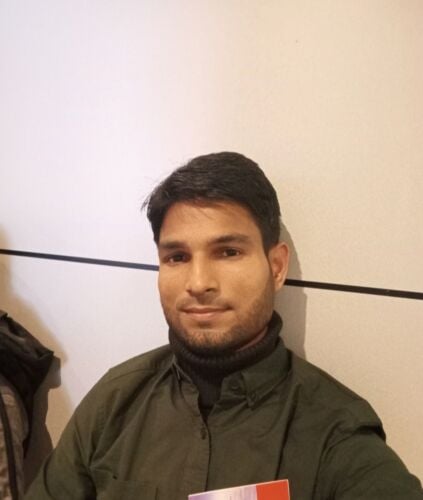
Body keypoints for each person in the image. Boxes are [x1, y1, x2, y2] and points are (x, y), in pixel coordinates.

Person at [25, 152, 422, 499]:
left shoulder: (333, 432)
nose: (199, 283)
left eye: (228, 252)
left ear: (276, 267)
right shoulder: (116, 399)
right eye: (177, 257)